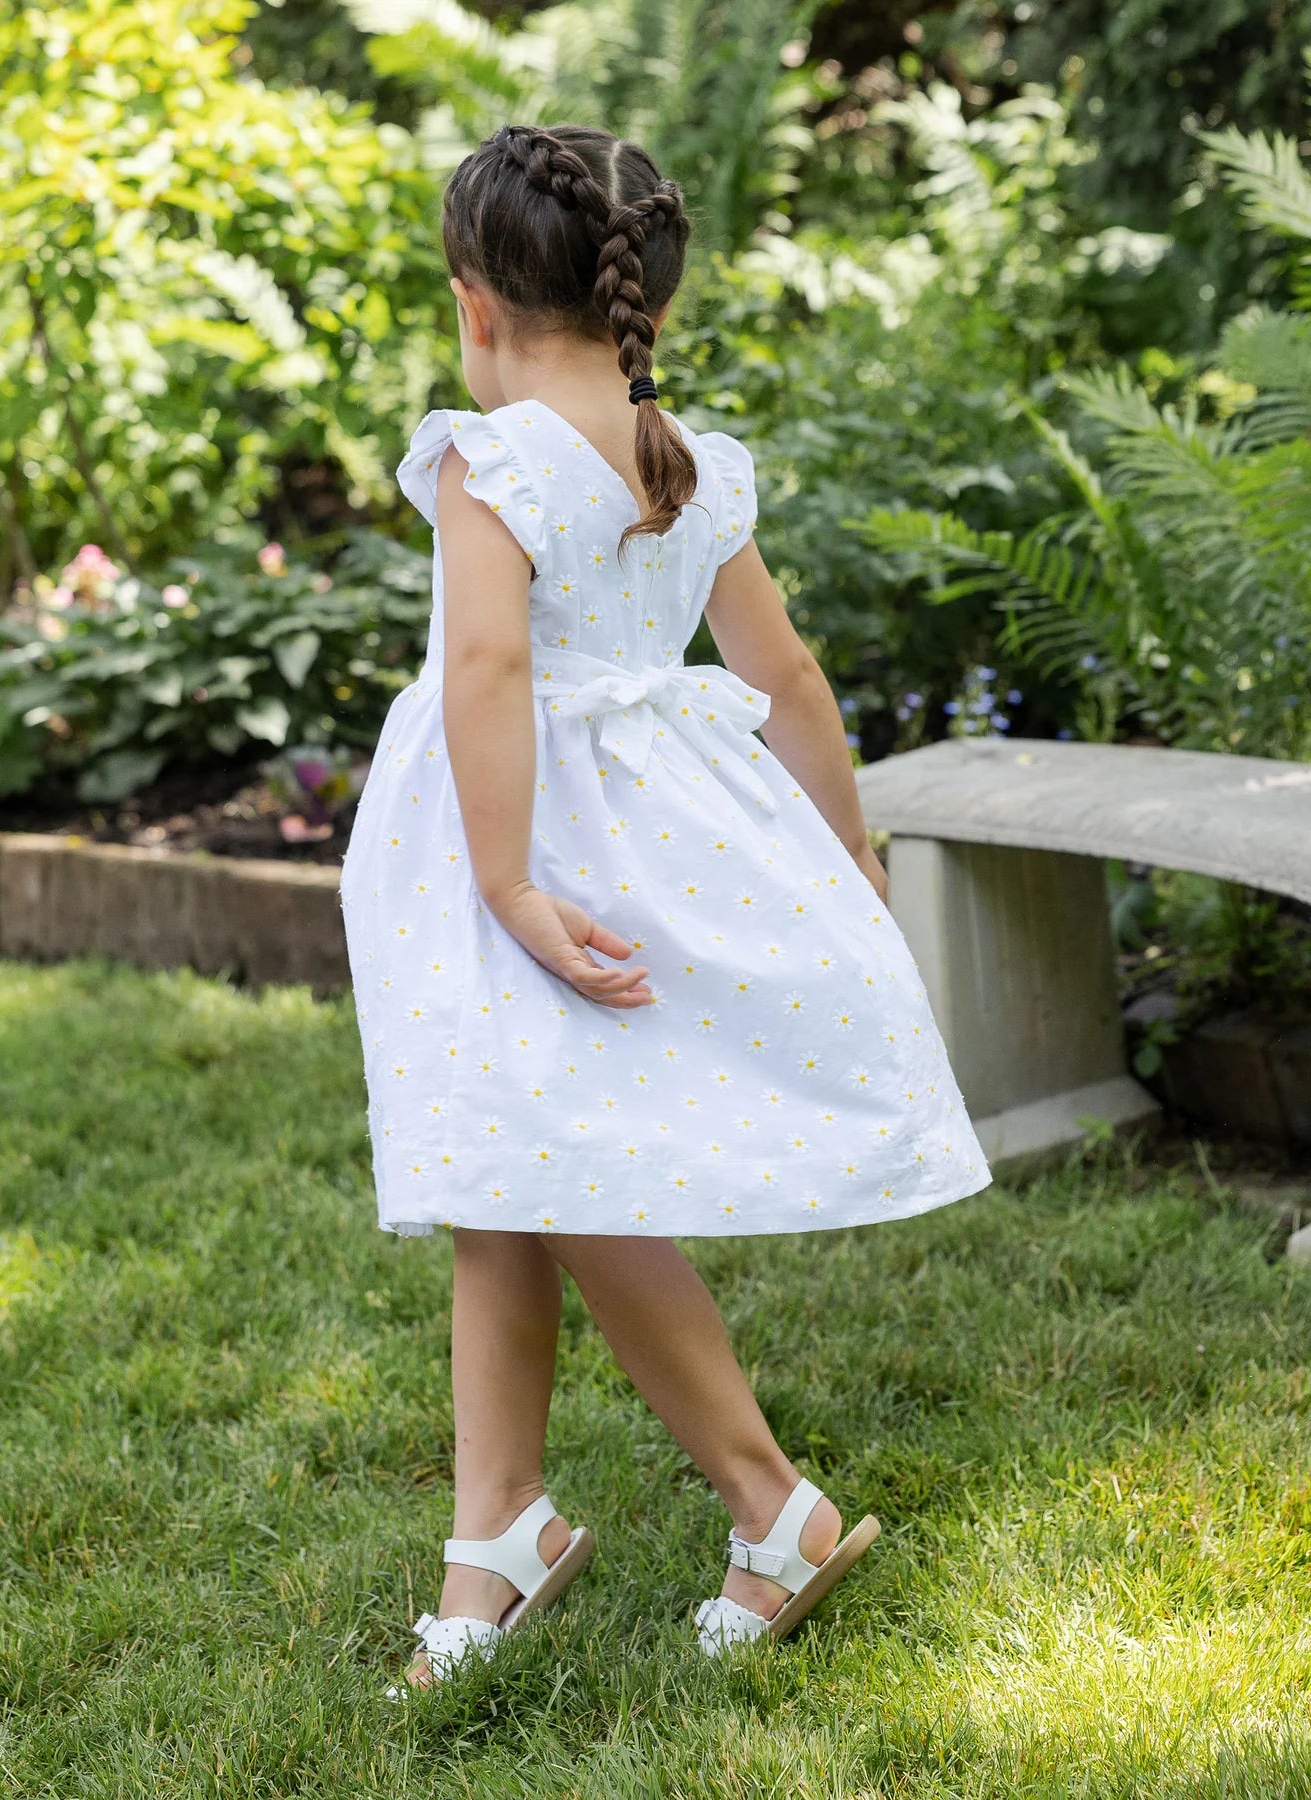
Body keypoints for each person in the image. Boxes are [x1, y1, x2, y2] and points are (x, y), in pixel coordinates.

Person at [340, 121, 992, 1693]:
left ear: (476, 305)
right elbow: (786, 676)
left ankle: (775, 1507)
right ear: (647, 303)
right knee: (505, 1159)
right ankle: (497, 1527)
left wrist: (504, 882)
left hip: (535, 859)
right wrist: (848, 859)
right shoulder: (677, 455)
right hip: (641, 846)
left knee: (567, 1177)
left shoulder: (486, 457)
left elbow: (491, 667)